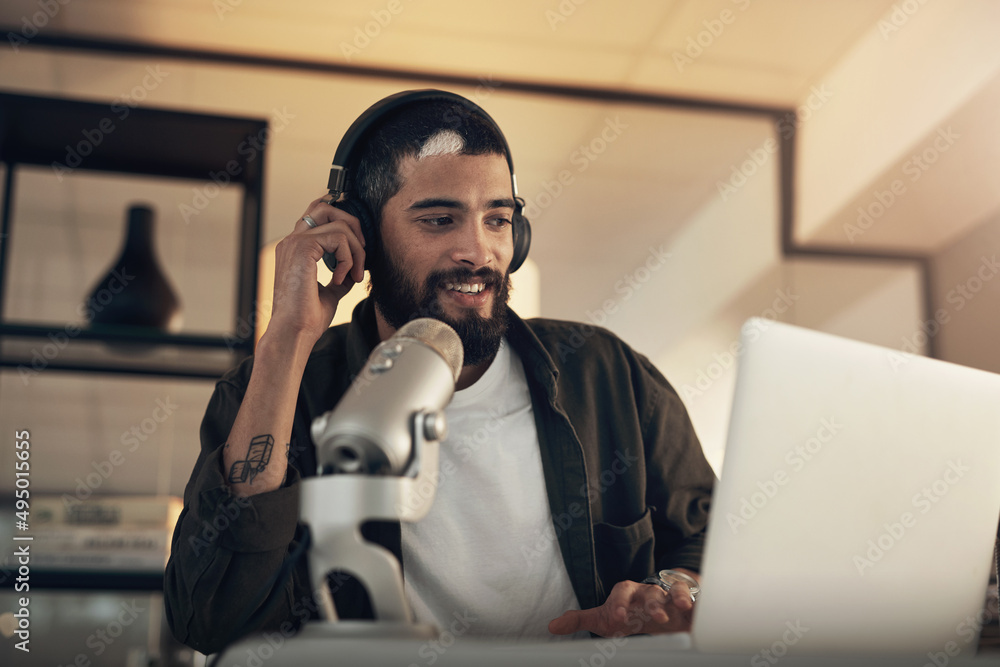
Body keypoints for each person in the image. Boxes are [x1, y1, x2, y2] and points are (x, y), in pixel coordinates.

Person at [163, 91, 715, 655]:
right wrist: (286, 338)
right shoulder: (285, 390)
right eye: (439, 219)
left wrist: (675, 590)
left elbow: (713, 541)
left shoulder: (608, 375)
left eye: (498, 219)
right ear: (366, 237)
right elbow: (210, 619)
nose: (478, 251)